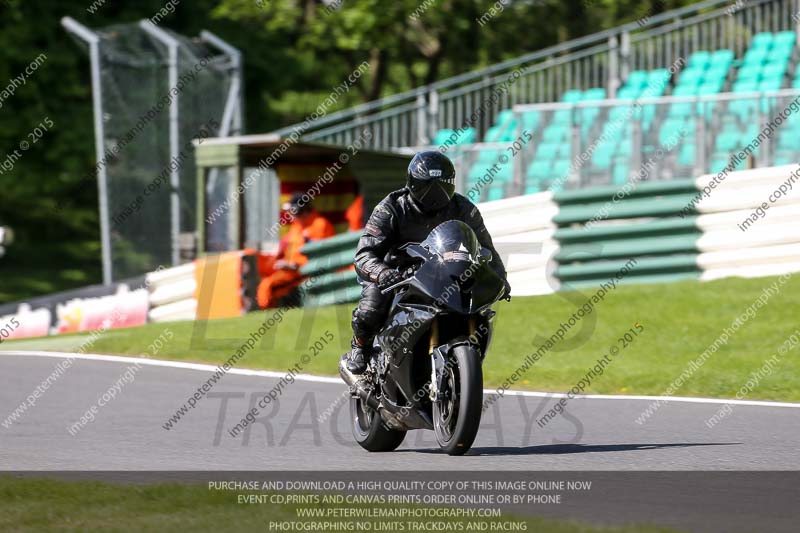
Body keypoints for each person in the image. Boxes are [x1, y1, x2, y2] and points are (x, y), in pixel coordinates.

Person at [345, 151, 510, 374]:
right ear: (413, 183)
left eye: (442, 184)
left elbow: (486, 248)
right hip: (396, 274)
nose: (435, 191)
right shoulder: (391, 207)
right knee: (371, 309)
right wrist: (382, 273)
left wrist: (499, 278)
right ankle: (360, 346)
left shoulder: (464, 208)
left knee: (478, 309)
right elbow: (365, 253)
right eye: (427, 184)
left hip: (443, 272)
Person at [257, 192, 335, 308]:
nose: (290, 214)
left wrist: (293, 266)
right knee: (265, 278)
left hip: (306, 272)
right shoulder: (297, 226)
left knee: (267, 285)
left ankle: (262, 313)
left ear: (301, 211)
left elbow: (319, 257)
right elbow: (286, 243)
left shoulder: (320, 225)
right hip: (291, 271)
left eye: (292, 211)